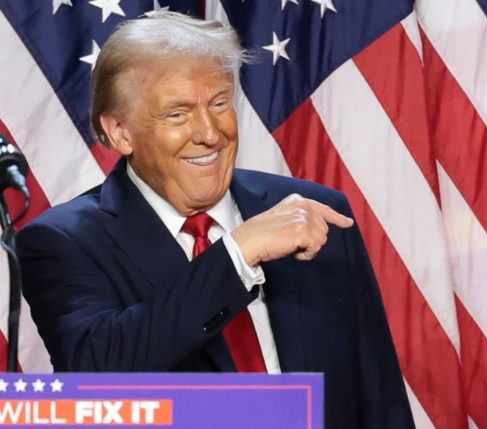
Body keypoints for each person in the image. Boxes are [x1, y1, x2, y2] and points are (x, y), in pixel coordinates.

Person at [17, 11, 414, 429]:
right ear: (120, 132)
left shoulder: (311, 209)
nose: (209, 132)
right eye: (177, 113)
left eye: (219, 103)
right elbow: (97, 373)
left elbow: (378, 394)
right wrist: (238, 253)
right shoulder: (64, 242)